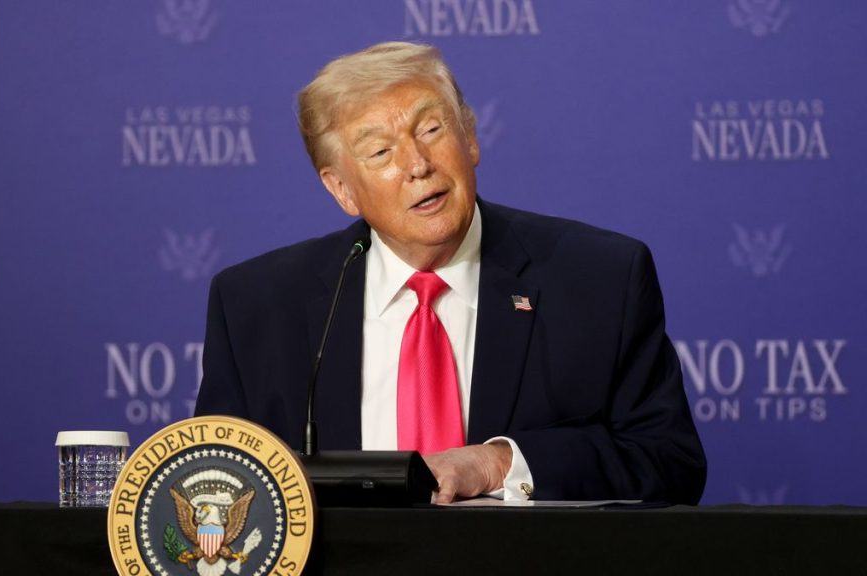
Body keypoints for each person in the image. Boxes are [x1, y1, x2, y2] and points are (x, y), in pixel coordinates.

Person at [195, 41, 706, 504]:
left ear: (471, 139)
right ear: (342, 189)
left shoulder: (599, 280)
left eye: (431, 130)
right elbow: (215, 491)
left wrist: (500, 464)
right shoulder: (258, 308)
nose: (418, 164)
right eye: (380, 152)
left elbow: (669, 463)